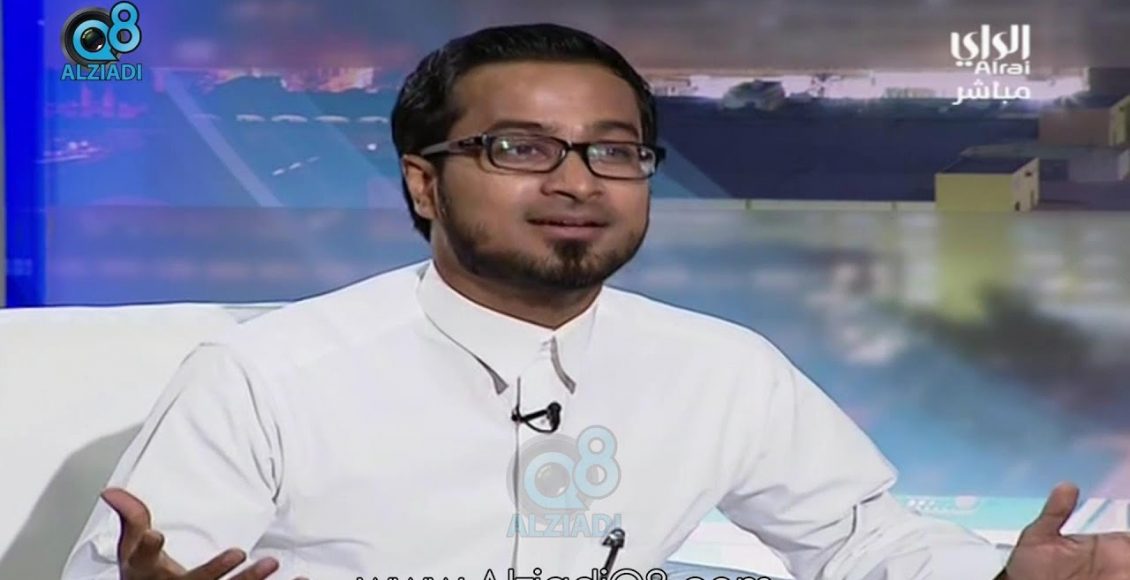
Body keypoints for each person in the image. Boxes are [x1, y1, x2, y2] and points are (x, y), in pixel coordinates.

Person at [62, 23, 1130, 580]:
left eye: (613, 151)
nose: (577, 182)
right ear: (424, 182)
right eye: (519, 149)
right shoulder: (267, 377)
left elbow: (859, 542)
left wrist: (1002, 575)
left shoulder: (720, 367)